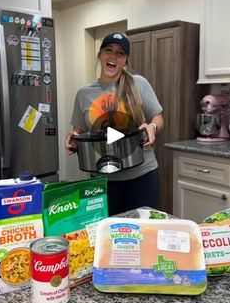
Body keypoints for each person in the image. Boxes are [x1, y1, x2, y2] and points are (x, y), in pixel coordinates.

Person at [65, 32, 164, 215]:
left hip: (142, 176)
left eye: (120, 53)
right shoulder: (83, 93)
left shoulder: (138, 84)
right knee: (108, 235)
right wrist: (72, 138)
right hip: (103, 181)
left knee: (144, 233)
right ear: (100, 55)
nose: (113, 56)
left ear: (125, 60)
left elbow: (158, 117)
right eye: (108, 50)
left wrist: (152, 127)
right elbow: (80, 130)